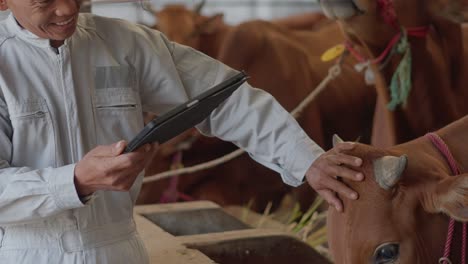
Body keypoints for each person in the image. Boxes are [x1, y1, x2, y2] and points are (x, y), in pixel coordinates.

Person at [0, 0, 364, 263]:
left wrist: (307, 159)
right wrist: (76, 181)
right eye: (44, 0)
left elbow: (225, 99)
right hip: (28, 253)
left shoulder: (126, 44)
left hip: (121, 249)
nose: (67, 9)